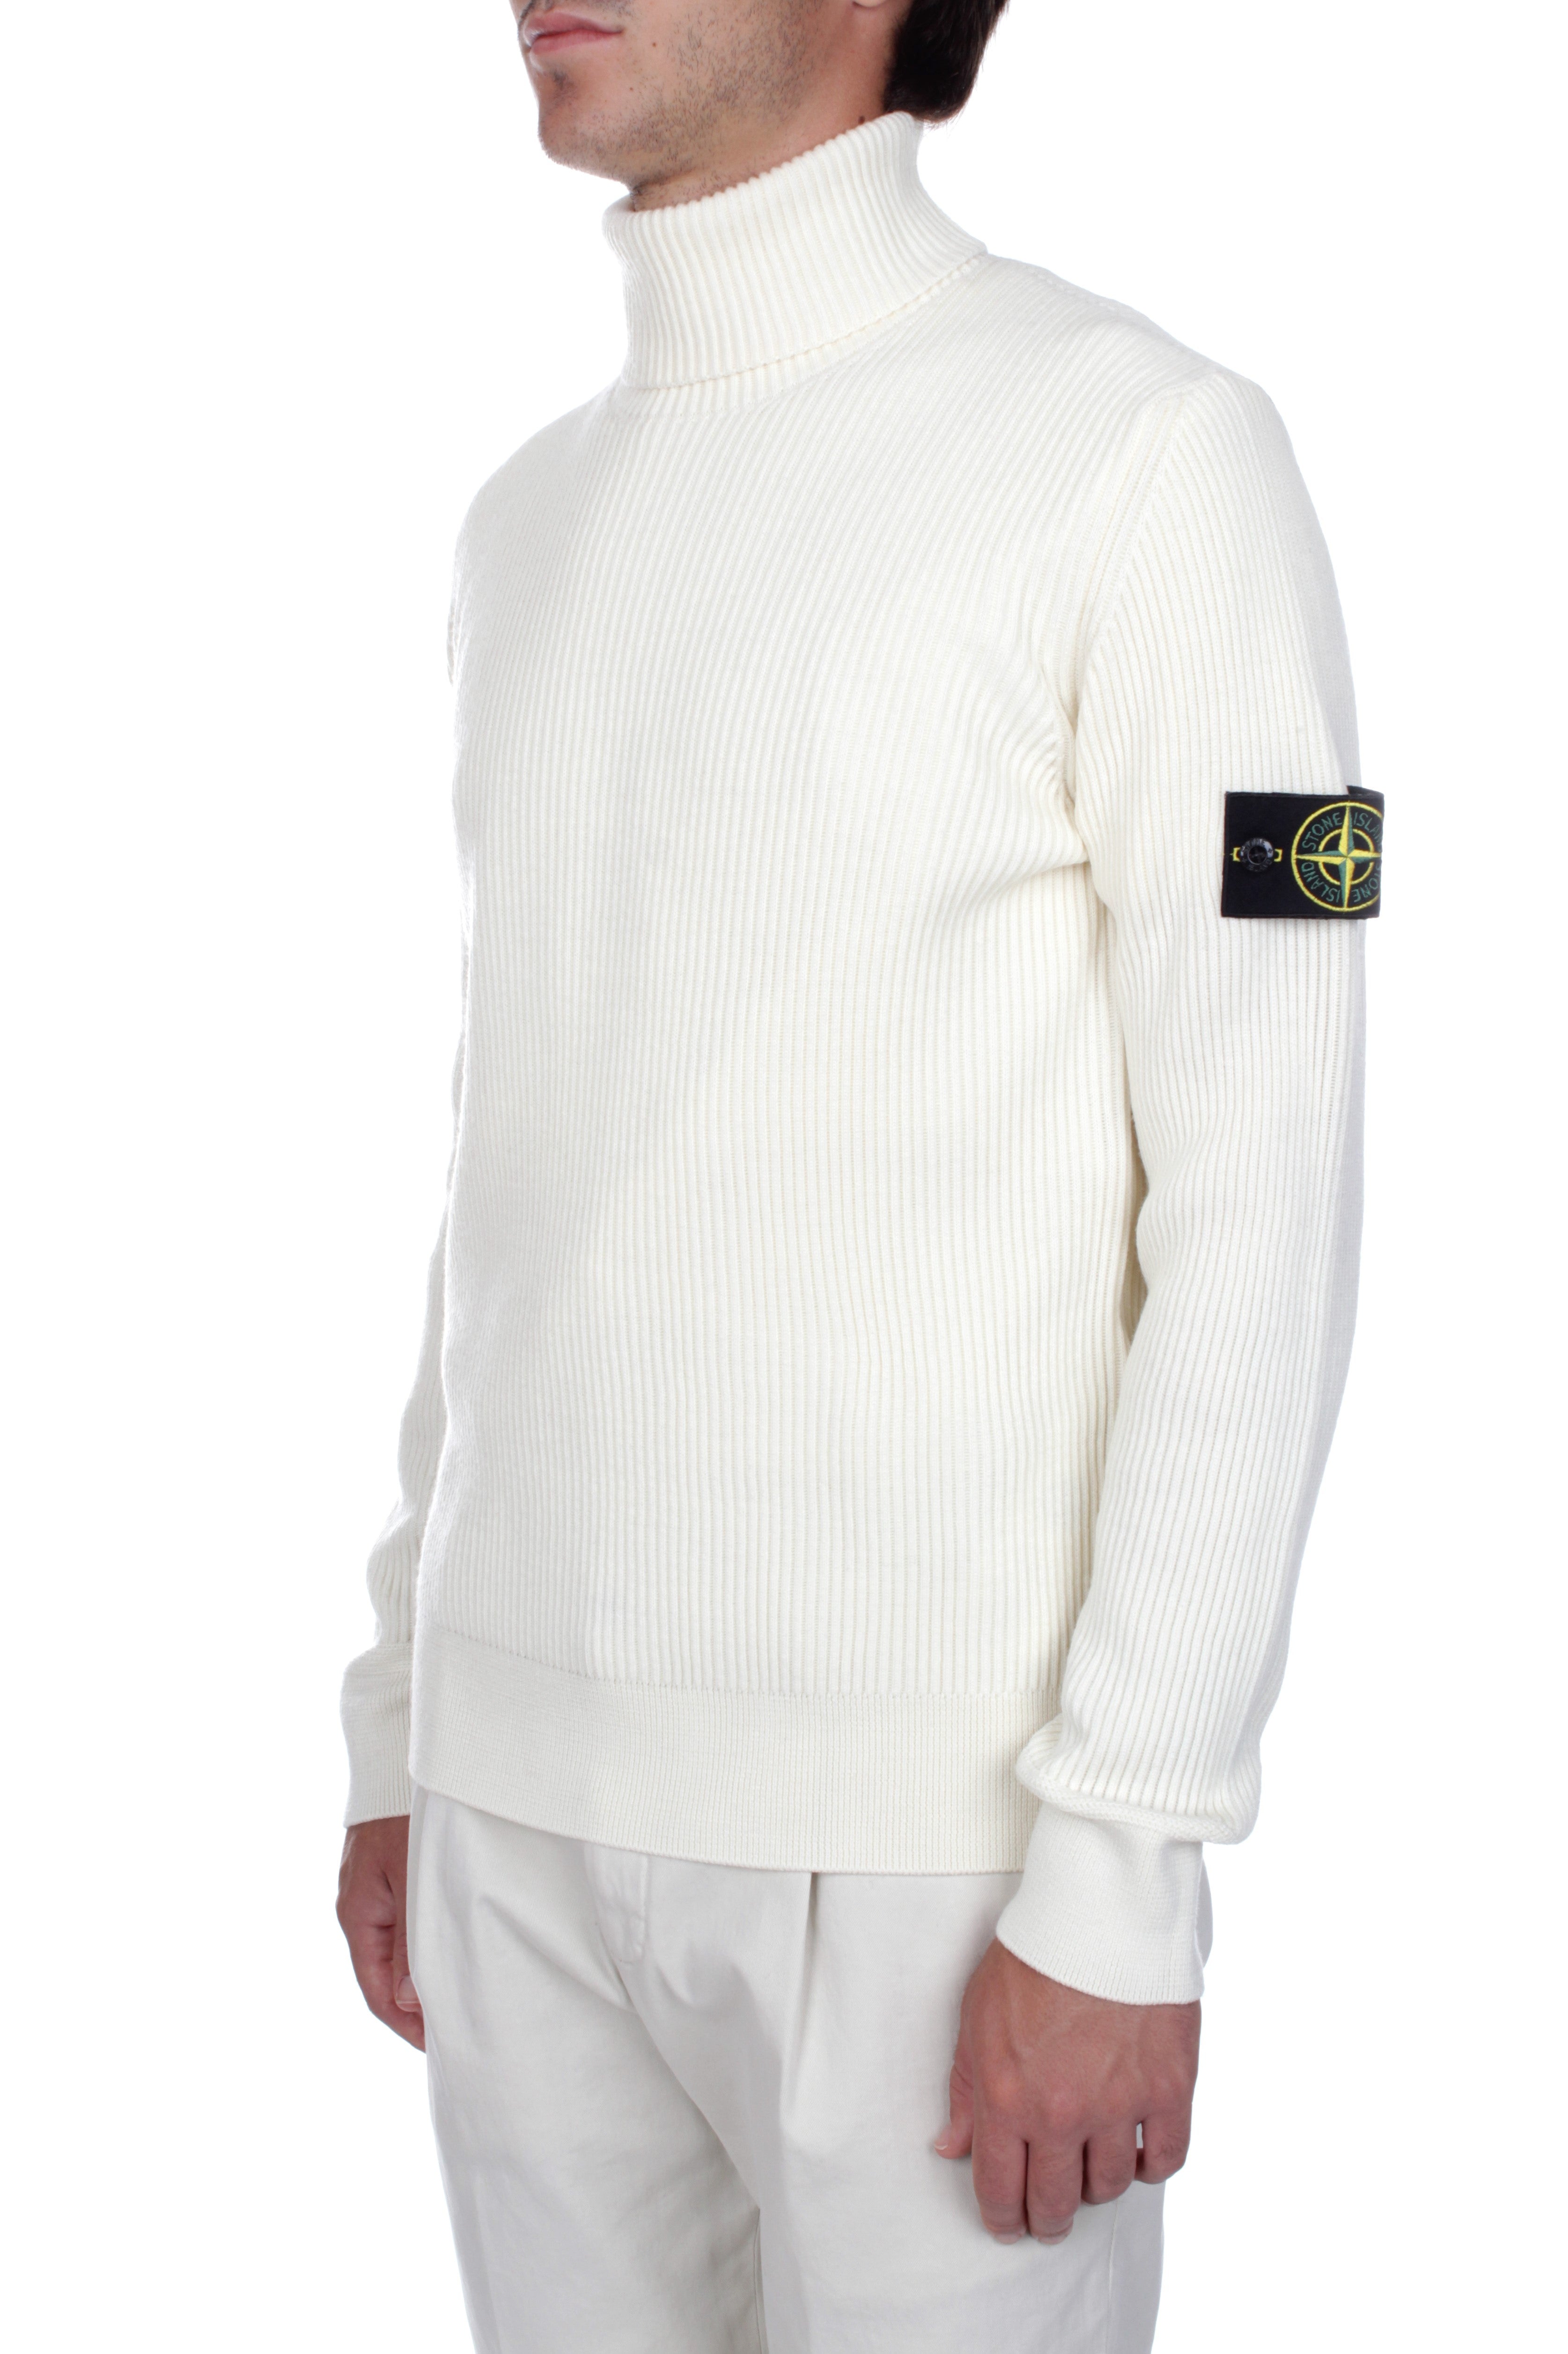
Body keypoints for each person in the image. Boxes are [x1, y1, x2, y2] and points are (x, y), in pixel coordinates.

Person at [335, 0, 1377, 2345]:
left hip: (939, 1866)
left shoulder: (1153, 457)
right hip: (512, 1818)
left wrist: (1126, 1867)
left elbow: (1266, 1204)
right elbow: (520, 1156)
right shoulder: (526, 519)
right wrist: (409, 1710)